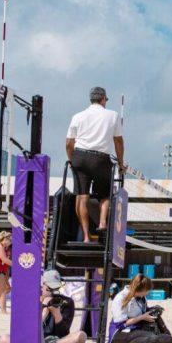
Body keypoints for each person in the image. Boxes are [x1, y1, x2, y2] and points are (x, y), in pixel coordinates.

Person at [65, 86, 124, 242]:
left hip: (80, 156)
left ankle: (86, 236)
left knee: (81, 197)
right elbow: (118, 141)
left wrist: (72, 160)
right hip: (100, 159)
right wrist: (121, 162)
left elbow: (69, 143)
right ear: (103, 99)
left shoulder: (78, 116)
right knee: (105, 194)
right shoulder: (113, 115)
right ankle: (102, 221)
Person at [0, 269, 86, 343]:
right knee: (4, 339)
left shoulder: (67, 301)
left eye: (56, 288)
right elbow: (27, 331)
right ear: (42, 285)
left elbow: (63, 333)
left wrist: (57, 314)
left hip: (56, 342)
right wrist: (43, 311)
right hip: (33, 340)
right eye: (50, 288)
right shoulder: (31, 300)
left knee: (81, 336)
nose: (53, 292)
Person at [108, 276, 172, 343]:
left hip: (137, 331)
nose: (148, 292)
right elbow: (120, 325)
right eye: (147, 290)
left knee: (168, 339)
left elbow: (142, 311)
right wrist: (141, 317)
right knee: (153, 338)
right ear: (142, 289)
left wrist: (154, 310)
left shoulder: (141, 297)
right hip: (121, 334)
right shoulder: (120, 298)